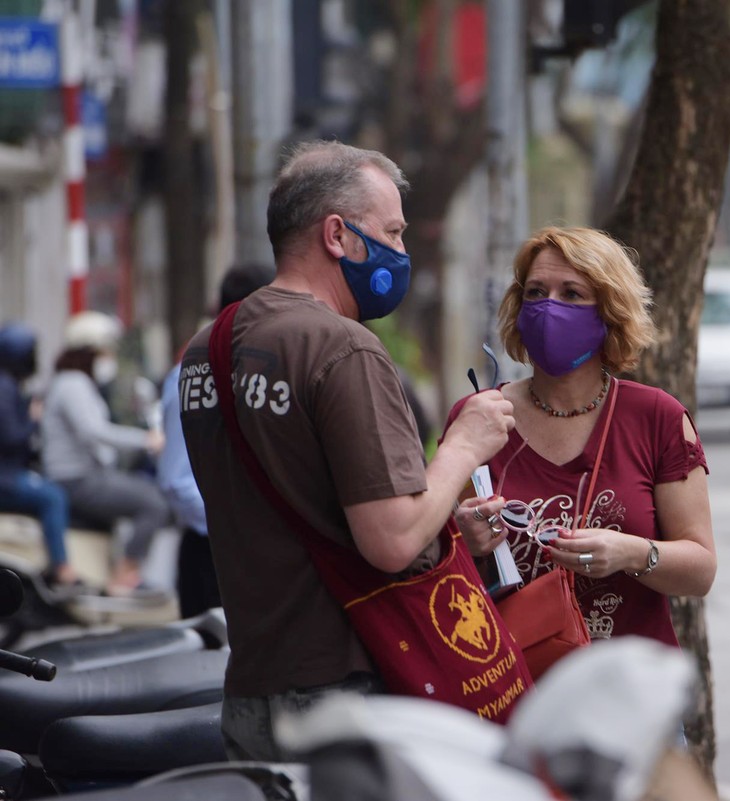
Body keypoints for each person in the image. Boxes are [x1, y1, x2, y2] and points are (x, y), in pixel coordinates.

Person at [178, 140, 518, 761]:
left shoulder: (208, 349)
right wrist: (462, 447)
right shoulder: (343, 350)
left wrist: (445, 528)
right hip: (343, 693)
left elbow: (301, 505)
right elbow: (389, 541)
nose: (401, 252)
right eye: (391, 232)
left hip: (252, 688)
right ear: (337, 234)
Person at [445, 226, 716, 647]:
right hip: (512, 688)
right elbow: (434, 564)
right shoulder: (478, 417)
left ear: (609, 312)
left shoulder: (657, 416)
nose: (548, 308)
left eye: (571, 294)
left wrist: (629, 552)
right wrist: (466, 540)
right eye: (535, 293)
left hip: (631, 693)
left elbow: (700, 571)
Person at [159, 262, 275, 619]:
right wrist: (239, 526)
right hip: (212, 552)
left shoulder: (258, 368)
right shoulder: (194, 371)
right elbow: (177, 481)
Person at [41, 312, 170, 596]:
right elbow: (95, 431)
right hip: (76, 480)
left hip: (86, 475)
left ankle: (114, 570)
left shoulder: (74, 382)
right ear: (89, 350)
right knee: (154, 502)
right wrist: (147, 440)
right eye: (104, 350)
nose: (108, 358)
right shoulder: (72, 383)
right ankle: (125, 577)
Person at [0, 323, 82, 590]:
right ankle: (61, 567)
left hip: (10, 471)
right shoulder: (5, 388)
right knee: (52, 496)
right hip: (6, 476)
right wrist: (33, 419)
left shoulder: (9, 385)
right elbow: (11, 437)